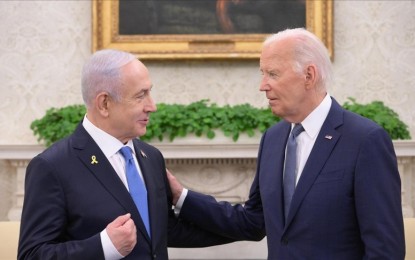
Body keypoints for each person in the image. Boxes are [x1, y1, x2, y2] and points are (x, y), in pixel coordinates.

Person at [168, 28, 406, 259]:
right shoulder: (273, 138)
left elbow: (385, 250)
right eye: (262, 73)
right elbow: (252, 221)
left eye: (273, 74)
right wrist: (182, 196)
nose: (263, 85)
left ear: (309, 76)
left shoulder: (365, 140)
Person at [18, 49, 232, 260]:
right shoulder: (53, 166)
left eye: (150, 92)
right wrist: (104, 246)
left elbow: (162, 232)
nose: (152, 106)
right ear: (104, 103)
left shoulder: (151, 156)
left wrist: (252, 224)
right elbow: (32, 255)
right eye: (141, 96)